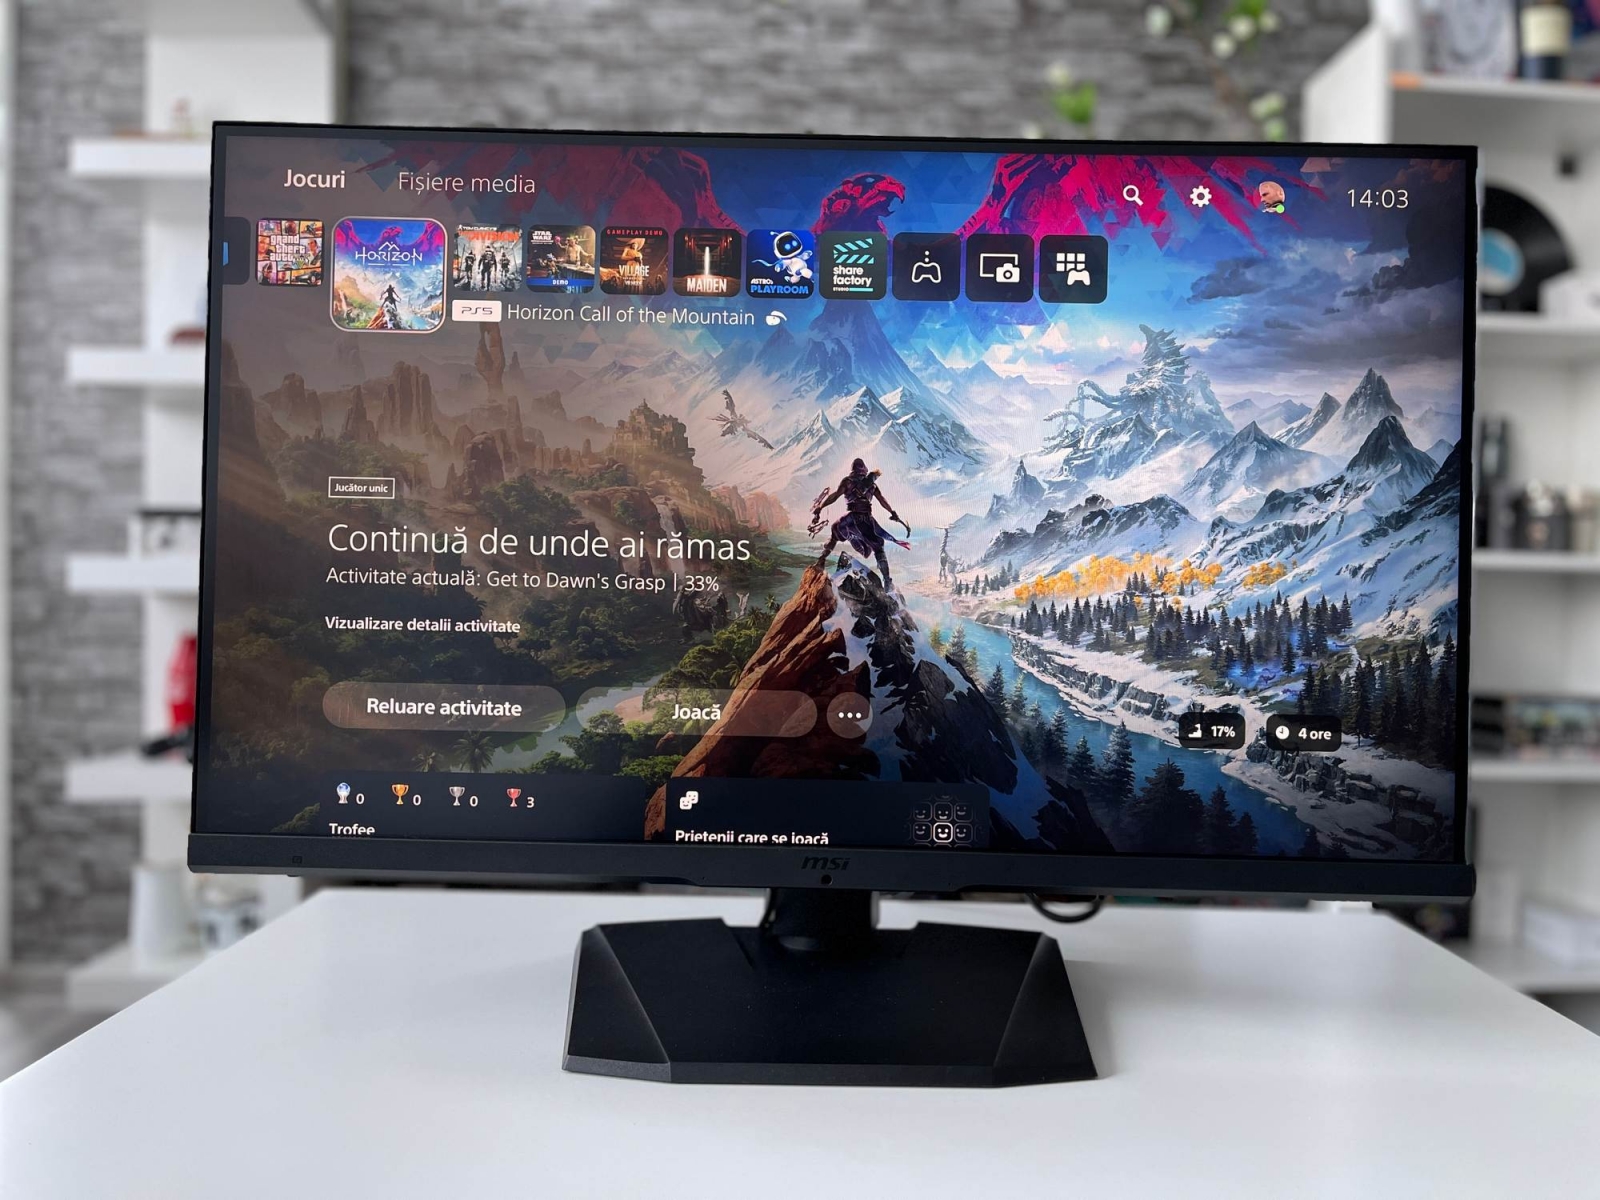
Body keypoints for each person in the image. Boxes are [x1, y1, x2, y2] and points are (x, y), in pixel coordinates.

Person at [811, 458, 910, 586]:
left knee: (835, 531)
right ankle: (887, 581)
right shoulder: (871, 485)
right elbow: (882, 500)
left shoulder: (848, 482)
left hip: (851, 518)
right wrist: (892, 512)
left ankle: (821, 560)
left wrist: (820, 507)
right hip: (865, 519)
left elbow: (835, 496)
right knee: (878, 547)